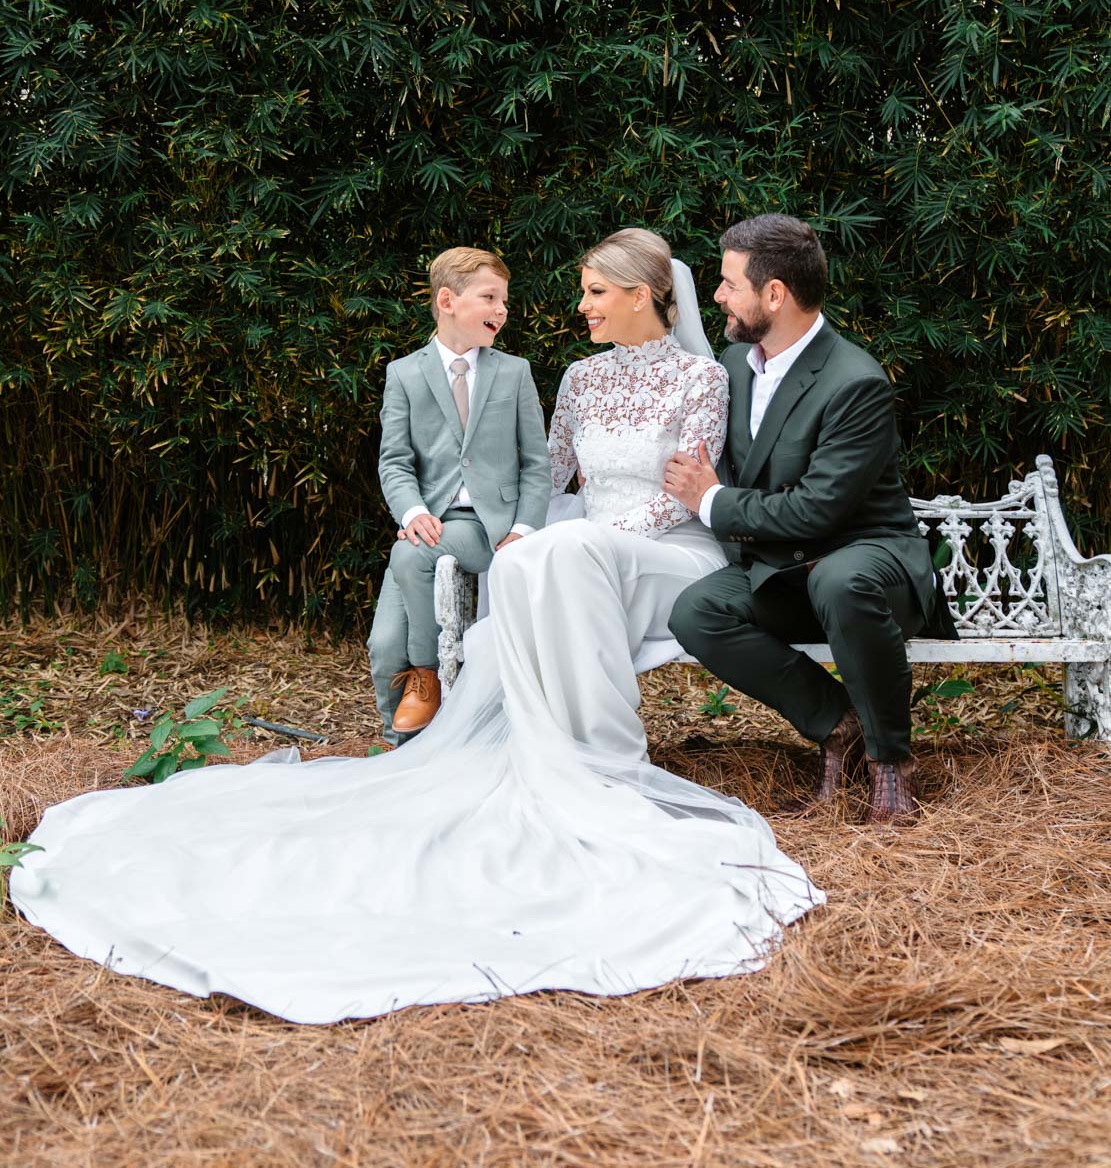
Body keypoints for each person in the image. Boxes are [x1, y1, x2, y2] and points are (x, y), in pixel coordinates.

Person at [11, 230, 820, 1026]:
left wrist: (583, 540)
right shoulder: (576, 377)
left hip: (664, 554)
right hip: (577, 549)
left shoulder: (698, 378)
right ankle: (563, 752)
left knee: (560, 554)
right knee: (530, 560)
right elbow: (550, 473)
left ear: (642, 295)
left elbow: (683, 490)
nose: (580, 307)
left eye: (594, 293)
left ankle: (601, 759)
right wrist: (519, 530)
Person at [664, 214, 945, 825]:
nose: (717, 296)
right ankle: (836, 721)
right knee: (697, 612)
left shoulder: (855, 381)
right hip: (786, 566)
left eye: (729, 284)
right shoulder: (736, 366)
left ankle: (891, 759)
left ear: (774, 294)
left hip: (871, 563)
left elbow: (819, 507)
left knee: (840, 580)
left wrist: (709, 500)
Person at [370, 247, 550, 743]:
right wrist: (412, 510)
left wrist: (523, 529)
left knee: (412, 554)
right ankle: (402, 753)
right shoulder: (404, 374)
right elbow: (395, 461)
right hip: (425, 522)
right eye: (489, 297)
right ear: (447, 300)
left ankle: (426, 673)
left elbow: (538, 462)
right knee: (385, 645)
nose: (501, 309)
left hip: (483, 527)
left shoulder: (513, 373)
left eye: (505, 300)